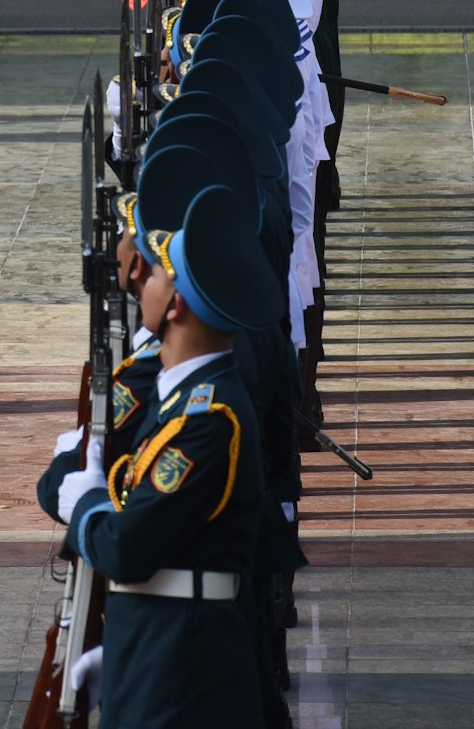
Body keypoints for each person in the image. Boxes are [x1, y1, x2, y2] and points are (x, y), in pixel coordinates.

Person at [55, 184, 282, 728]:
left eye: (154, 274)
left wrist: (84, 506)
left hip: (185, 668)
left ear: (175, 304)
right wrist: (130, 647)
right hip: (162, 645)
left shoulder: (207, 420)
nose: (141, 279)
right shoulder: (186, 397)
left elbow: (130, 548)